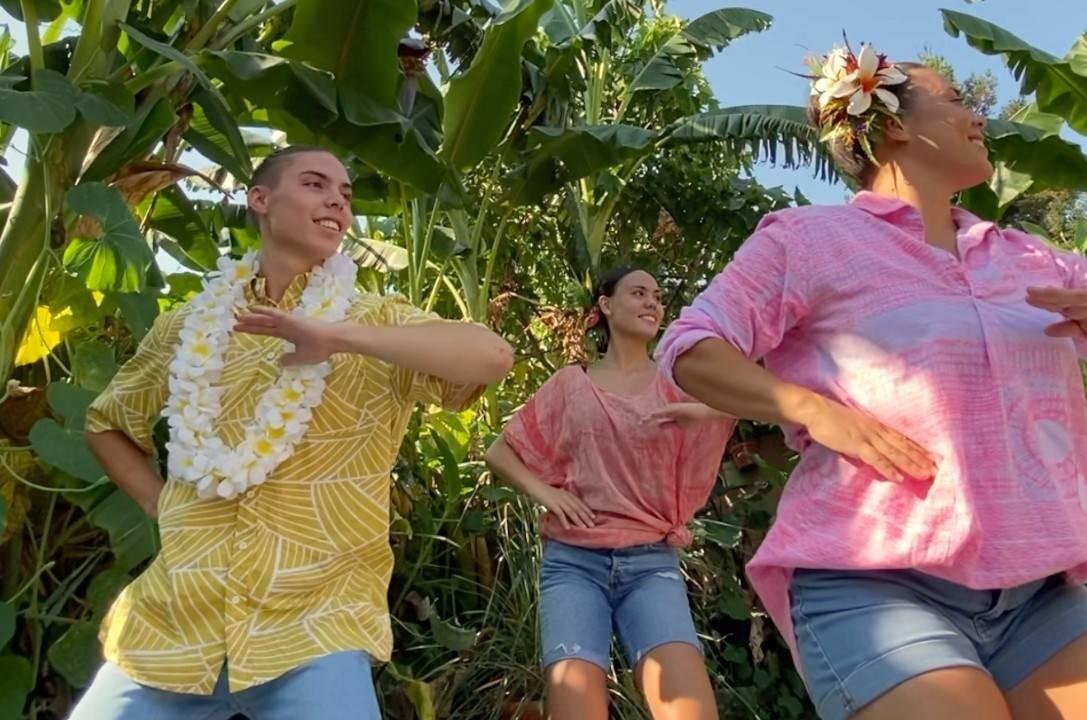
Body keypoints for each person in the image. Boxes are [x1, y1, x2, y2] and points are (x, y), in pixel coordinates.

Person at [655, 43, 1087, 720]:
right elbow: (691, 346)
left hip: (1038, 601)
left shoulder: (1030, 259)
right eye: (957, 100)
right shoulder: (807, 240)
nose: (978, 116)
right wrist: (813, 410)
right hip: (872, 585)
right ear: (895, 125)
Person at [69, 146, 514, 720]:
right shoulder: (187, 324)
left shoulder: (378, 319)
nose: (337, 200)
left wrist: (338, 338)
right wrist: (163, 505)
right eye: (315, 183)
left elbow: (491, 357)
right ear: (260, 199)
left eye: (345, 193)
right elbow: (107, 423)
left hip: (315, 624)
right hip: (174, 621)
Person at [485, 267, 736, 720]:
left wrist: (703, 411)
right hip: (573, 565)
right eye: (638, 293)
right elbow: (500, 451)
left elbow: (760, 401)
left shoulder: (678, 382)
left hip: (651, 563)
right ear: (605, 305)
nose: (652, 303)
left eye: (657, 296)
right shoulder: (570, 384)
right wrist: (548, 495)